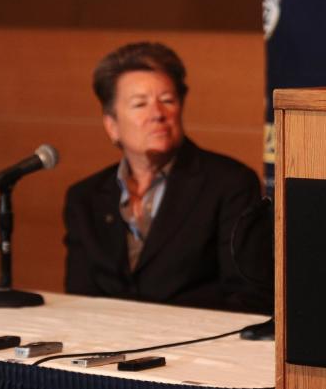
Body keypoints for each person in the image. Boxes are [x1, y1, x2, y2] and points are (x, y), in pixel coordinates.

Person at [64, 42, 273, 313]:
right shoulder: (85, 197)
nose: (157, 115)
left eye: (167, 101)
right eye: (140, 104)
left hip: (197, 347)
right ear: (112, 125)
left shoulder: (229, 184)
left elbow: (248, 298)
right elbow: (80, 302)